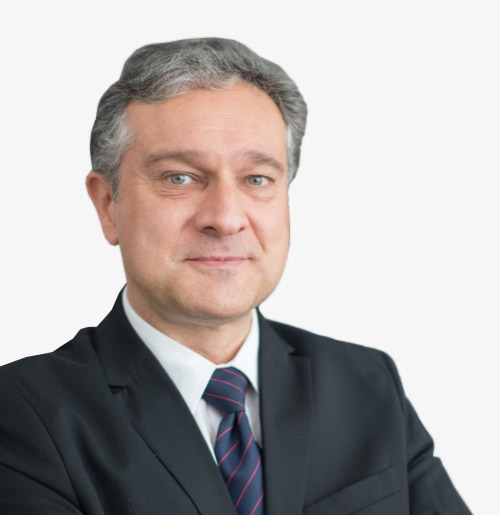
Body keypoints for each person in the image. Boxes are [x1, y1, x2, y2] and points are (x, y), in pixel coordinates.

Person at [0, 38, 471, 515]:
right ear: (108, 206)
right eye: (179, 177)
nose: (225, 218)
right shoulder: (23, 414)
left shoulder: (366, 384)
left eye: (256, 179)